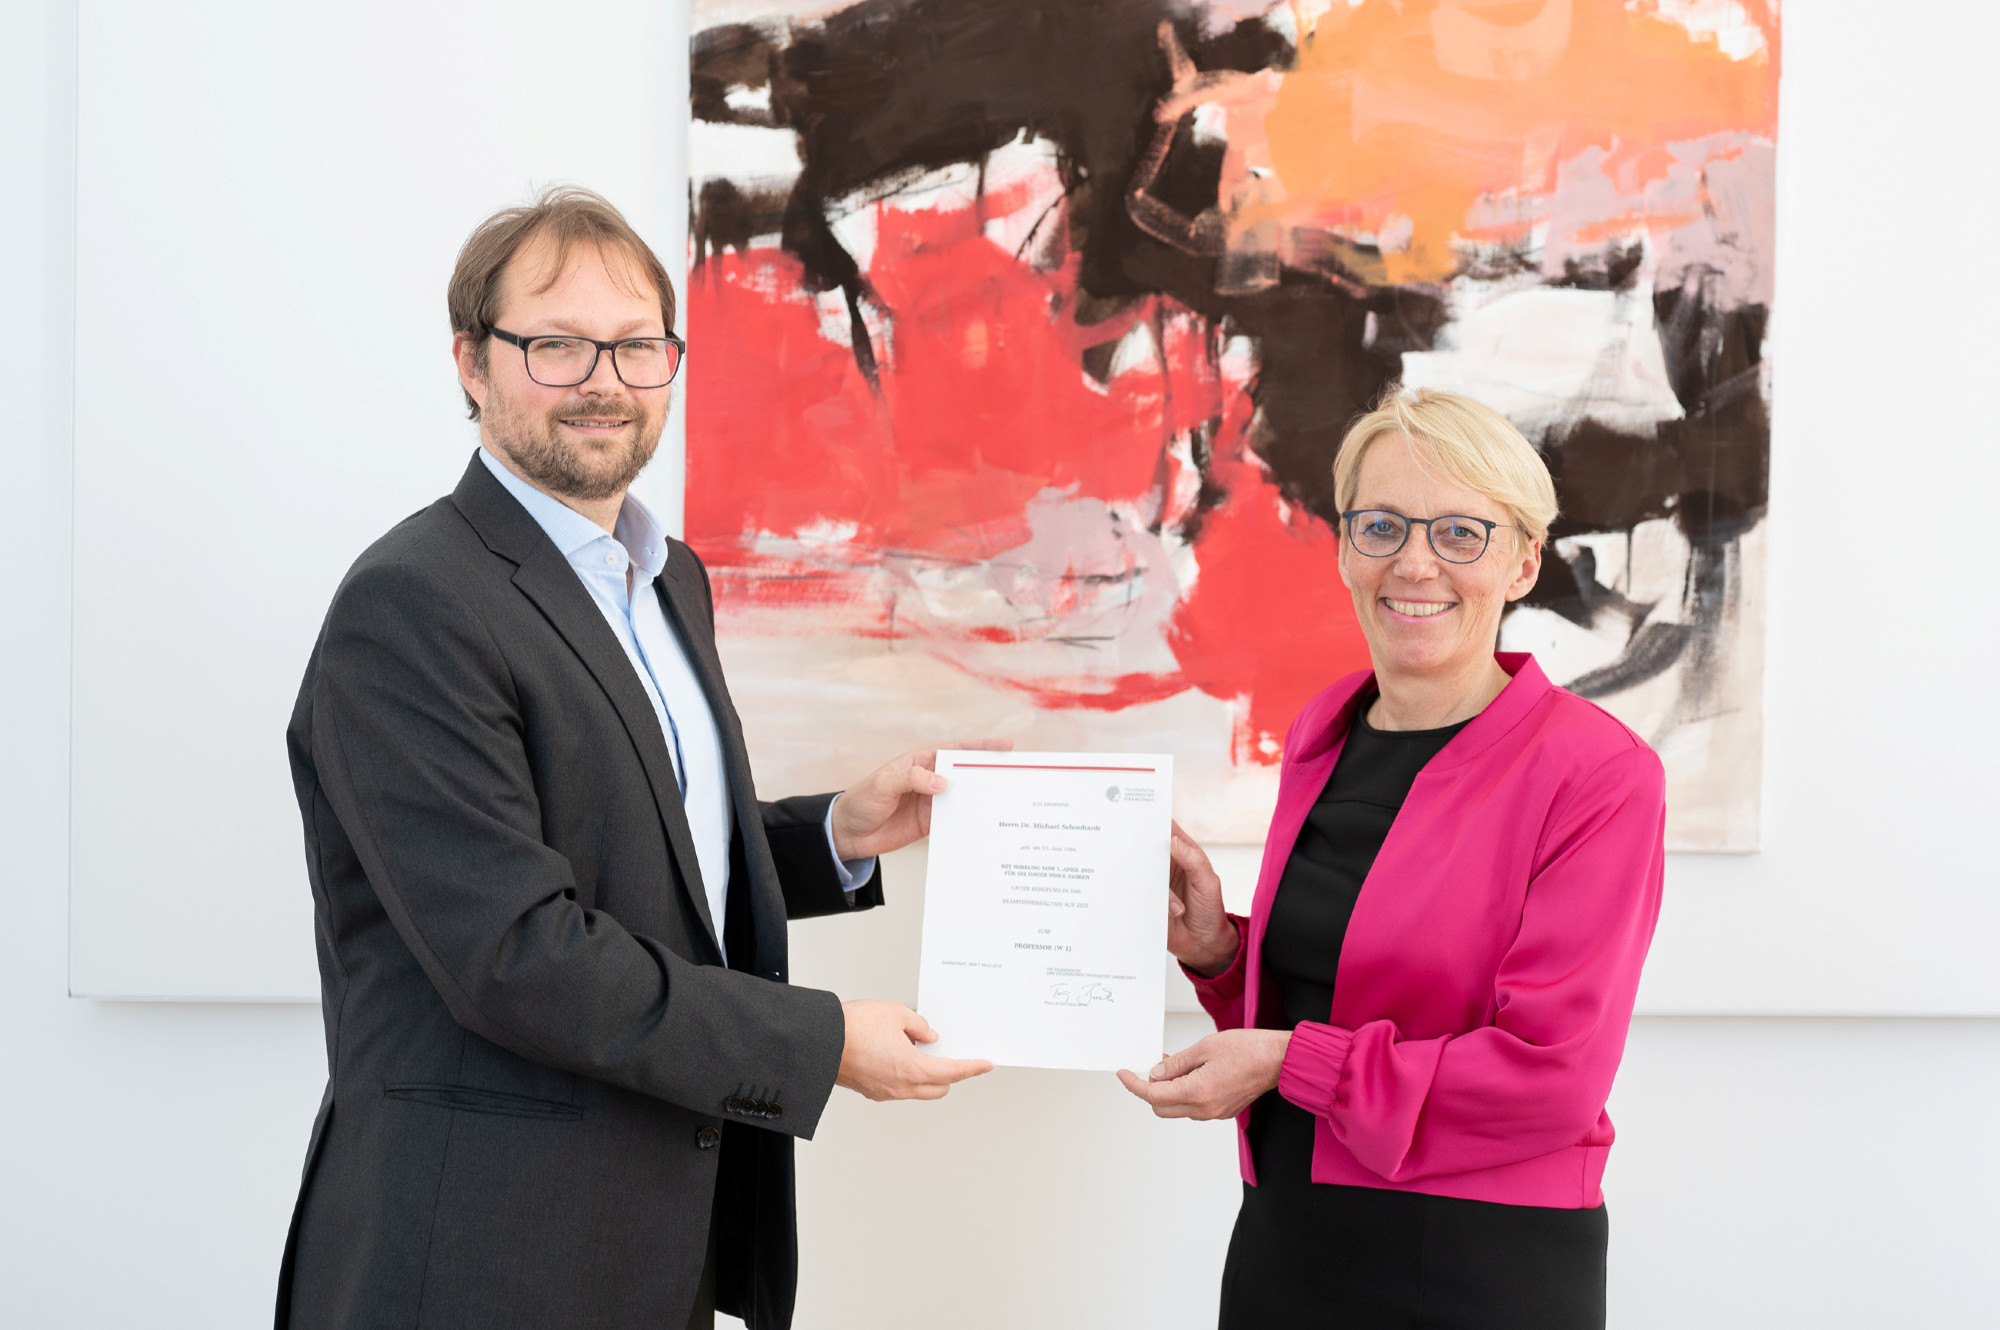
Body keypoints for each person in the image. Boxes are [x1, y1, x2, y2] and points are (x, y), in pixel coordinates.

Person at [277, 186, 994, 1330]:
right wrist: (821, 1044)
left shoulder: (667, 580)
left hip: (653, 1242)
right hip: (478, 1259)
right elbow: (518, 952)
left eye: (634, 345)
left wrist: (833, 833)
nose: (603, 380)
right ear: (471, 363)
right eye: (556, 345)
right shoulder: (411, 603)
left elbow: (640, 850)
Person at [1120, 388, 1666, 1329]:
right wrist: (1219, 952)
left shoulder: (1599, 774)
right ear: (1344, 549)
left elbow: (1551, 1079)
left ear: (1523, 562)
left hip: (1481, 1263)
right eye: (1381, 526)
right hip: (1289, 1239)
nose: (1414, 562)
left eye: (1461, 532)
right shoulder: (1324, 732)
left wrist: (1288, 1062)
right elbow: (1326, 1003)